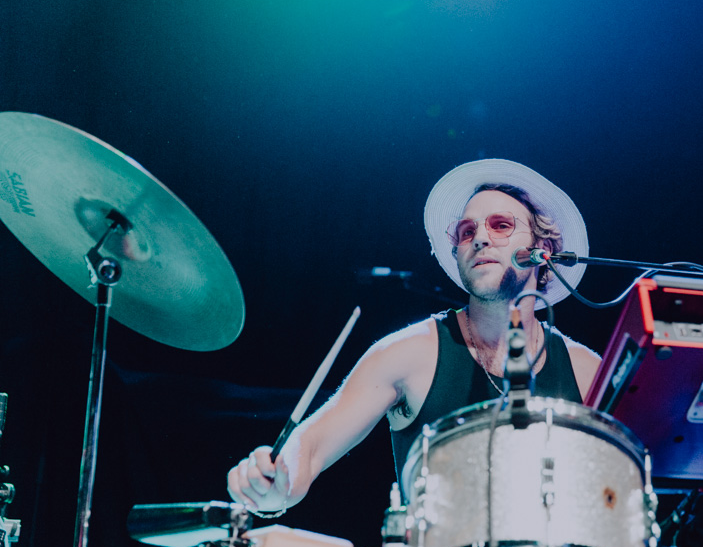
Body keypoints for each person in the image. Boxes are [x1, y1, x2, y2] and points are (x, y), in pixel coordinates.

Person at [226, 159, 601, 515]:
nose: (480, 239)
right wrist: (276, 482)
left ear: (544, 251)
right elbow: (310, 447)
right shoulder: (408, 353)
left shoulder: (588, 372)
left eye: (500, 225)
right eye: (467, 231)